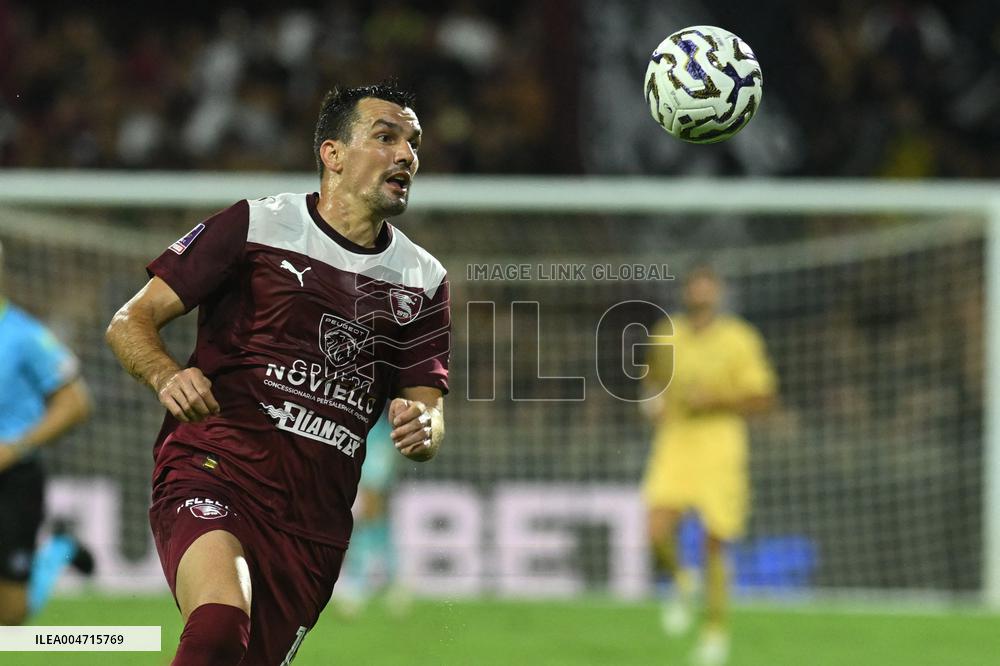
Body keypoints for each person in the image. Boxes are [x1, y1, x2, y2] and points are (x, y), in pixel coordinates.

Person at [105, 82, 450, 666]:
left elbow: (429, 411)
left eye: (412, 144)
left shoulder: (423, 279)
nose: (406, 156)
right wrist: (166, 375)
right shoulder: (255, 226)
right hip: (215, 472)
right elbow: (130, 320)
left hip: (312, 525)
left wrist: (424, 427)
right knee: (217, 625)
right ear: (332, 154)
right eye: (385, 137)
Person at [641, 265, 776, 666]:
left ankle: (714, 632)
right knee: (655, 528)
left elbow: (762, 397)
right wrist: (653, 405)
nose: (700, 296)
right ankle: (683, 580)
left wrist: (715, 401)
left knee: (715, 540)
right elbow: (651, 380)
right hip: (677, 441)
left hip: (721, 445)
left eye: (707, 290)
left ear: (717, 294)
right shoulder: (668, 332)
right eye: (695, 289)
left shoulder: (740, 338)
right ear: (687, 293)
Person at [0, 242, 93, 625]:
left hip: (12, 479)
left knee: (9, 618)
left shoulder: (24, 335)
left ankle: (57, 552)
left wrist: (15, 446)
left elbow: (75, 402)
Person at [333, 407, 408, 617]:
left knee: (370, 511)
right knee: (373, 518)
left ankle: (360, 585)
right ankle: (394, 582)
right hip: (360, 431)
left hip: (372, 432)